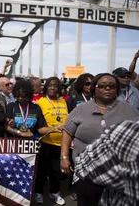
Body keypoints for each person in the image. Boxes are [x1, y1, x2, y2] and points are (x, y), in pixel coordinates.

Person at [61, 73, 139, 206]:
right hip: (87, 170)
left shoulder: (129, 110)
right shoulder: (80, 109)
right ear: (94, 89)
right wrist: (64, 157)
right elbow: (67, 132)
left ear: (117, 89)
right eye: (102, 86)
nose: (107, 89)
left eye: (112, 86)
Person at [74, 120, 139, 206]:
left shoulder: (131, 125)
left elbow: (83, 167)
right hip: (92, 169)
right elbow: (83, 167)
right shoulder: (132, 131)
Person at [34, 77, 68, 206]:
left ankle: (54, 192)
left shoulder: (63, 102)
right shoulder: (40, 102)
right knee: (42, 170)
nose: (53, 88)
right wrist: (54, 128)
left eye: (55, 85)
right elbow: (39, 126)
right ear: (46, 88)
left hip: (62, 142)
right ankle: (38, 192)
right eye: (50, 85)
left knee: (57, 171)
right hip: (46, 142)